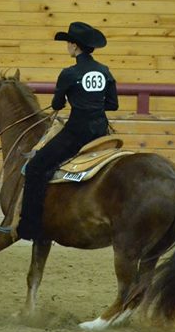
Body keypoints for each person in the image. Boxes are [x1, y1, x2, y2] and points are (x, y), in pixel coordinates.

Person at [16, 21, 118, 241]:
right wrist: (93, 104)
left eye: (68, 43)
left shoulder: (69, 74)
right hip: (100, 130)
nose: (67, 47)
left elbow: (56, 104)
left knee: (35, 167)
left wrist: (72, 101)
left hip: (77, 131)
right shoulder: (104, 71)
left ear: (74, 46)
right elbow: (112, 104)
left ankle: (30, 228)